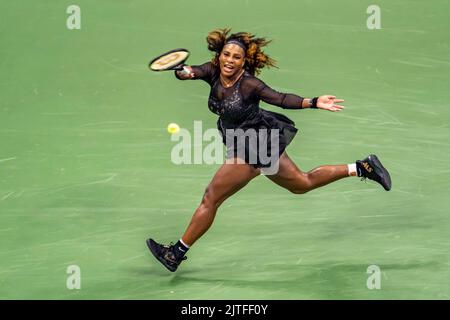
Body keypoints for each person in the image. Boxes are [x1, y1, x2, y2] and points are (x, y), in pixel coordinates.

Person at [147, 28, 391, 272]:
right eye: (226, 55)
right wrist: (184, 72)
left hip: (253, 146)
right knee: (301, 184)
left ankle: (175, 254)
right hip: (250, 139)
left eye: (236, 57)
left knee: (211, 197)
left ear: (244, 61)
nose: (229, 61)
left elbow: (281, 99)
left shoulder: (250, 84)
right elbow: (192, 72)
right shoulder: (213, 71)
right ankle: (362, 167)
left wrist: (314, 102)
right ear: (219, 55)